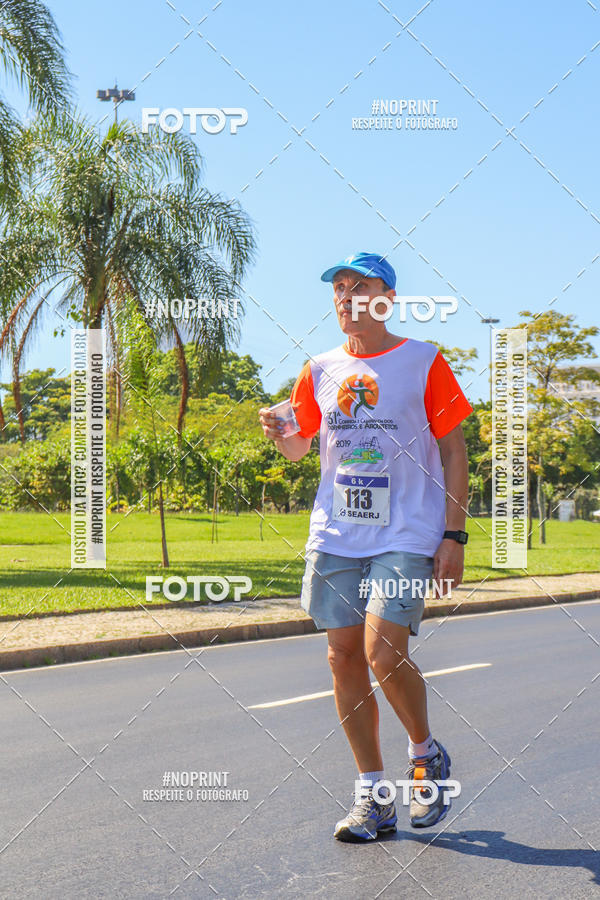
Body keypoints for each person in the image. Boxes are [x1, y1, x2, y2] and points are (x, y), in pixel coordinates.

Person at [259, 252, 472, 842]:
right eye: (340, 287)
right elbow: (301, 449)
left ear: (388, 297)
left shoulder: (423, 361)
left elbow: (454, 453)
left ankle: (426, 756)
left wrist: (453, 535)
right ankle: (373, 796)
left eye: (362, 285)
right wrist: (280, 434)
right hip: (337, 533)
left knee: (383, 652)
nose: (348, 295)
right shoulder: (318, 369)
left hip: (407, 531)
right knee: (343, 658)